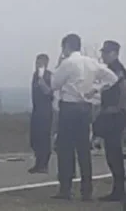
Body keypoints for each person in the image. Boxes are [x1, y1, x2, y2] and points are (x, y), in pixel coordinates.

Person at [46, 33, 118, 201]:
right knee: (83, 149)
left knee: (66, 149)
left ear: (67, 47)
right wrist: (97, 88)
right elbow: (112, 78)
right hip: (85, 107)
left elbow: (54, 84)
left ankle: (66, 188)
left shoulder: (68, 63)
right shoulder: (91, 63)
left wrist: (58, 65)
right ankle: (87, 189)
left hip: (69, 107)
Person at [92, 40, 126, 202]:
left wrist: (119, 109)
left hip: (114, 115)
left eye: (105, 52)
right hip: (109, 114)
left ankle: (119, 191)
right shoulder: (112, 70)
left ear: (113, 53)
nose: (103, 55)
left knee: (114, 154)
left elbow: (122, 92)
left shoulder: (117, 70)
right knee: (111, 154)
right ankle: (117, 189)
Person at [29, 53, 54, 174]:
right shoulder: (35, 76)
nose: (37, 65)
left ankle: (44, 164)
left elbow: (50, 94)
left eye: (40, 63)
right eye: (36, 63)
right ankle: (38, 162)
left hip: (45, 111)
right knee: (35, 138)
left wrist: (42, 81)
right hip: (36, 109)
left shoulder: (49, 77)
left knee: (44, 137)